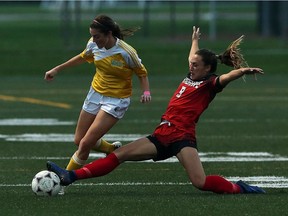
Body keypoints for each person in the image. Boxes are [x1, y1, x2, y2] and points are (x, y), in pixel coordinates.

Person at [47, 26, 265, 194]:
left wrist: (243, 71)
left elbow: (226, 77)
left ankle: (238, 188)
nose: (191, 66)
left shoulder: (211, 83)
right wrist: (195, 41)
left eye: (196, 65)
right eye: (191, 64)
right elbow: (192, 57)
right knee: (119, 155)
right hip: (162, 134)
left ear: (208, 69)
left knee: (200, 182)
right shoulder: (192, 75)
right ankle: (70, 176)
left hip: (182, 138)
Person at [44, 15, 151, 174]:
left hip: (116, 100)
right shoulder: (93, 45)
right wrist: (57, 69)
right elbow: (82, 57)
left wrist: (146, 92)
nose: (93, 40)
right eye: (92, 36)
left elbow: (142, 73)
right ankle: (110, 148)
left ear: (109, 34)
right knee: (79, 140)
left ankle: (64, 179)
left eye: (97, 36)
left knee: (86, 143)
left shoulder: (126, 52)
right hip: (95, 94)